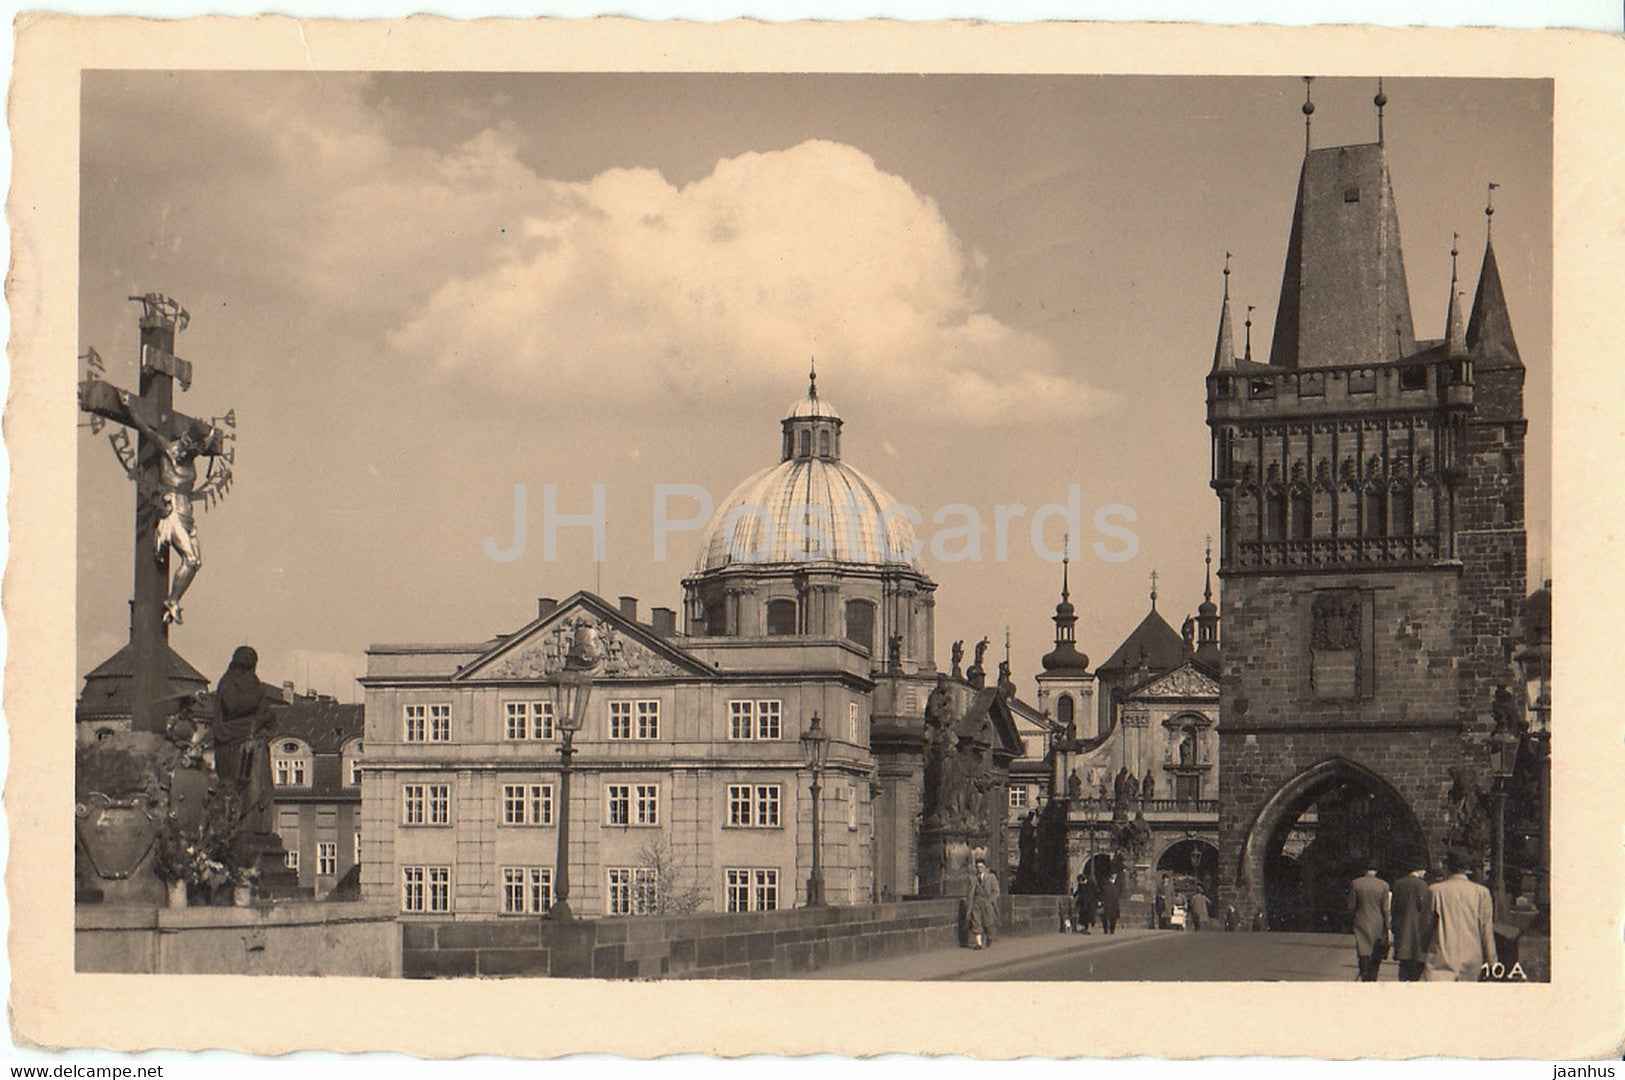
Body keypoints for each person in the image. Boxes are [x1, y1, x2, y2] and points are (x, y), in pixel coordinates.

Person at [212, 646, 278, 843]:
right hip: (232, 740)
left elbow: (267, 714)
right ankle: (244, 822)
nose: (248, 671)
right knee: (244, 784)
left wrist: (263, 718)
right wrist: (256, 699)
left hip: (254, 740)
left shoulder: (255, 685)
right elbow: (232, 705)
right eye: (245, 666)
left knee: (261, 783)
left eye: (250, 667)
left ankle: (259, 824)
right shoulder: (228, 682)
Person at [1427, 848, 1497, 981]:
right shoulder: (1482, 893)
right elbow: (1486, 930)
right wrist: (1492, 960)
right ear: (1467, 869)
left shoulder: (1435, 891)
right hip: (1472, 960)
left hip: (1441, 959)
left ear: (1447, 866)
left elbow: (1426, 927)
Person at [1390, 861, 1433, 982]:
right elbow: (1424, 908)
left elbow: (1394, 907)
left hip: (1402, 928)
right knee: (1416, 967)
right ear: (1419, 870)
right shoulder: (1422, 885)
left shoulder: (1398, 884)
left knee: (1404, 965)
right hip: (1417, 931)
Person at [1348, 865, 1392, 981]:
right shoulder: (1383, 885)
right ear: (1375, 871)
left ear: (1365, 870)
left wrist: (1352, 918)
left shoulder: (1356, 883)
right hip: (1378, 921)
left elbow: (1351, 906)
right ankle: (1373, 975)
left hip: (1361, 920)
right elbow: (1385, 907)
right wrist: (1387, 924)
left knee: (1363, 949)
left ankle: (1364, 974)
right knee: (1376, 948)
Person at [966, 856, 1001, 949]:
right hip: (977, 903)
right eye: (978, 867)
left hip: (987, 902)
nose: (979, 869)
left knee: (988, 923)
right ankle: (979, 944)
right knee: (976, 922)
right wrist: (969, 905)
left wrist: (990, 900)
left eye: (981, 867)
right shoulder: (974, 879)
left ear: (985, 867)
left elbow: (996, 891)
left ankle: (990, 937)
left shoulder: (991, 877)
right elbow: (971, 893)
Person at [1099, 870, 1121, 934]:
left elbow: (1117, 895)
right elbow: (1103, 894)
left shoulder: (1116, 885)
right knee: (1106, 917)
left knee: (1112, 918)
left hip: (1113, 903)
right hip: (1107, 903)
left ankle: (1111, 930)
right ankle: (1107, 930)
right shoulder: (1106, 885)